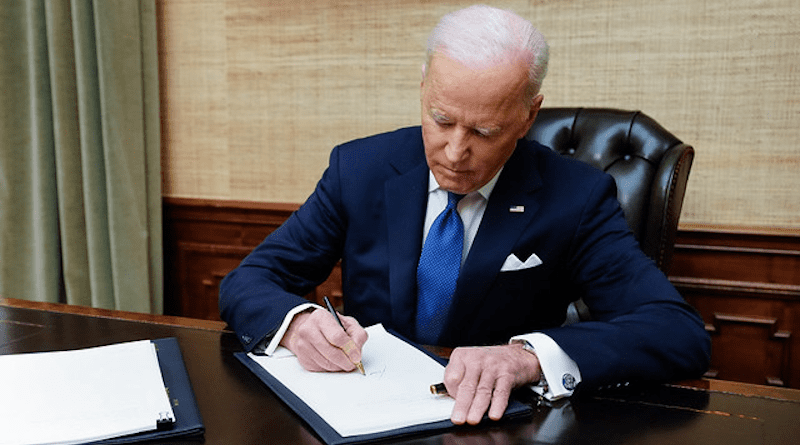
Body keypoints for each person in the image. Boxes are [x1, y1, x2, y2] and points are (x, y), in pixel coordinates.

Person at [219, 4, 710, 426]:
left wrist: (528, 358)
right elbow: (250, 280)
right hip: (363, 410)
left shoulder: (576, 197)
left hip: (494, 424)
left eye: (484, 130)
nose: (455, 152)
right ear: (424, 91)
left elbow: (676, 331)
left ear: (528, 115)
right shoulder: (360, 169)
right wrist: (299, 321)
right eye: (442, 120)